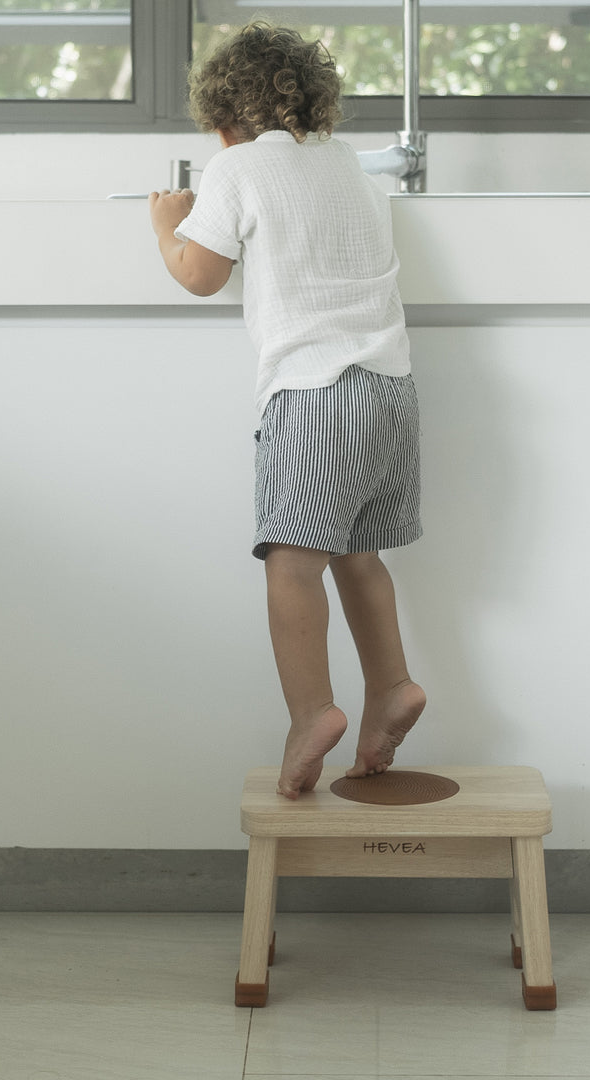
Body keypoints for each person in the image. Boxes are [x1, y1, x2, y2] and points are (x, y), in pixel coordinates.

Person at [147, 22, 425, 799]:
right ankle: (392, 687)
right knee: (358, 557)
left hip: (314, 395)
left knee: (293, 565)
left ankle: (312, 713)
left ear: (223, 119)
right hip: (390, 393)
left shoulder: (234, 167)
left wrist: (167, 224)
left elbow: (200, 273)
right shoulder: (346, 166)